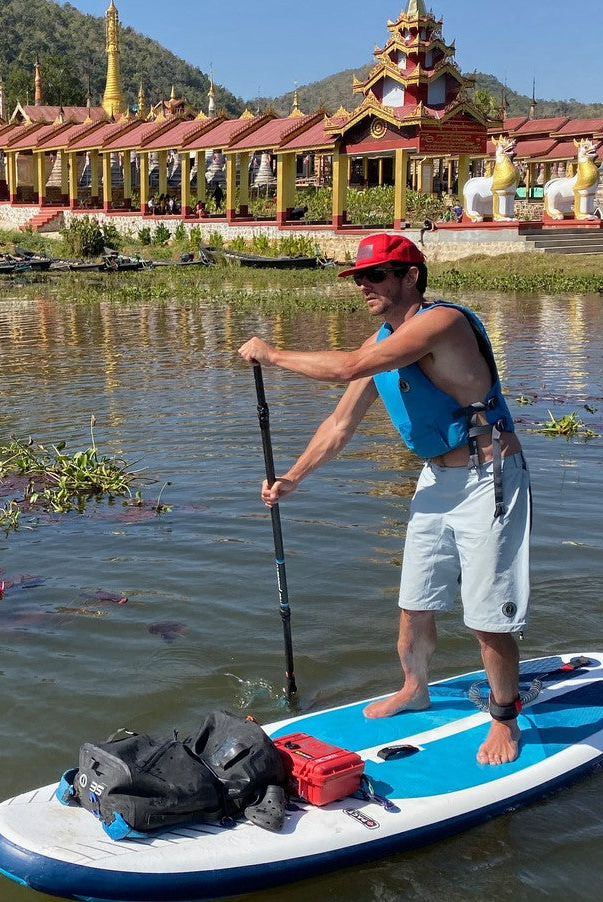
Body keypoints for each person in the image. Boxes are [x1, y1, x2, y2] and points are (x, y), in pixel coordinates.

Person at [237, 233, 531, 766]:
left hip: (490, 476)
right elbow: (339, 425)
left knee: (486, 615)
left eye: (376, 276)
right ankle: (414, 687)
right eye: (359, 278)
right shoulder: (384, 341)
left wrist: (272, 353)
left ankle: (505, 717)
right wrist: (292, 479)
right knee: (414, 601)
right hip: (436, 480)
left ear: (411, 276)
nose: (364, 287)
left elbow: (348, 367)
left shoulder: (443, 323)